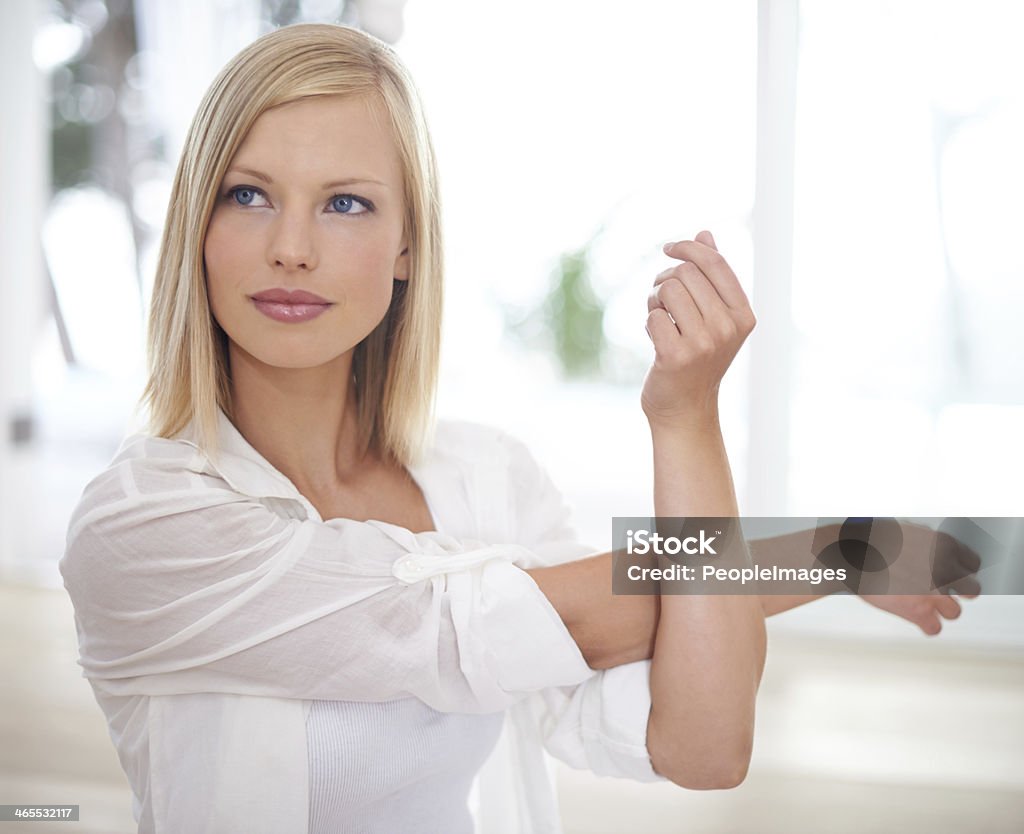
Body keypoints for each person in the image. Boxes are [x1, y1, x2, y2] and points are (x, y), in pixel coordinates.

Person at [58, 22, 972, 834]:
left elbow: (703, 744)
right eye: (248, 194)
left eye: (346, 204)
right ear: (196, 224)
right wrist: (830, 554)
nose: (290, 246)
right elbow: (496, 620)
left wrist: (686, 417)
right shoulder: (144, 523)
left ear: (408, 245)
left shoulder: (488, 478)